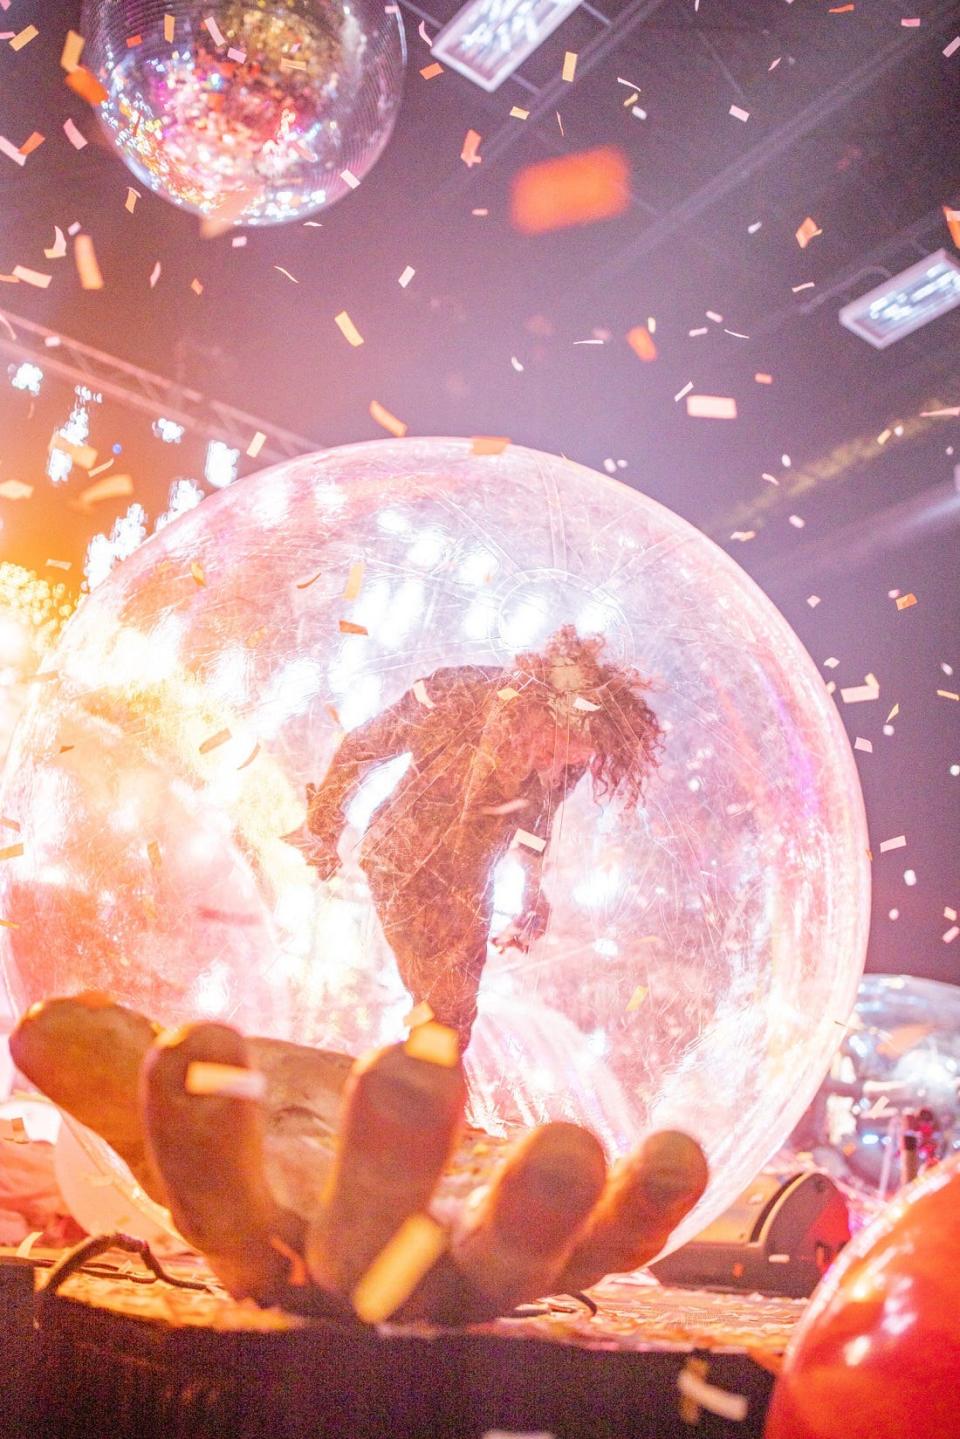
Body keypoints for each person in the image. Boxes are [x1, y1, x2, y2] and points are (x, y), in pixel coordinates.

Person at [286, 626, 662, 1047]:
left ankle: (417, 1090)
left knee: (452, 1023)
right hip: (402, 859)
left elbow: (535, 825)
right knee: (442, 1016)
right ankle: (405, 1090)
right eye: (556, 748)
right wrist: (323, 825)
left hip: (467, 880)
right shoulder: (456, 694)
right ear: (540, 712)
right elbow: (363, 747)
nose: (558, 765)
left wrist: (532, 892)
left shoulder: (569, 753)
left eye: (575, 759)